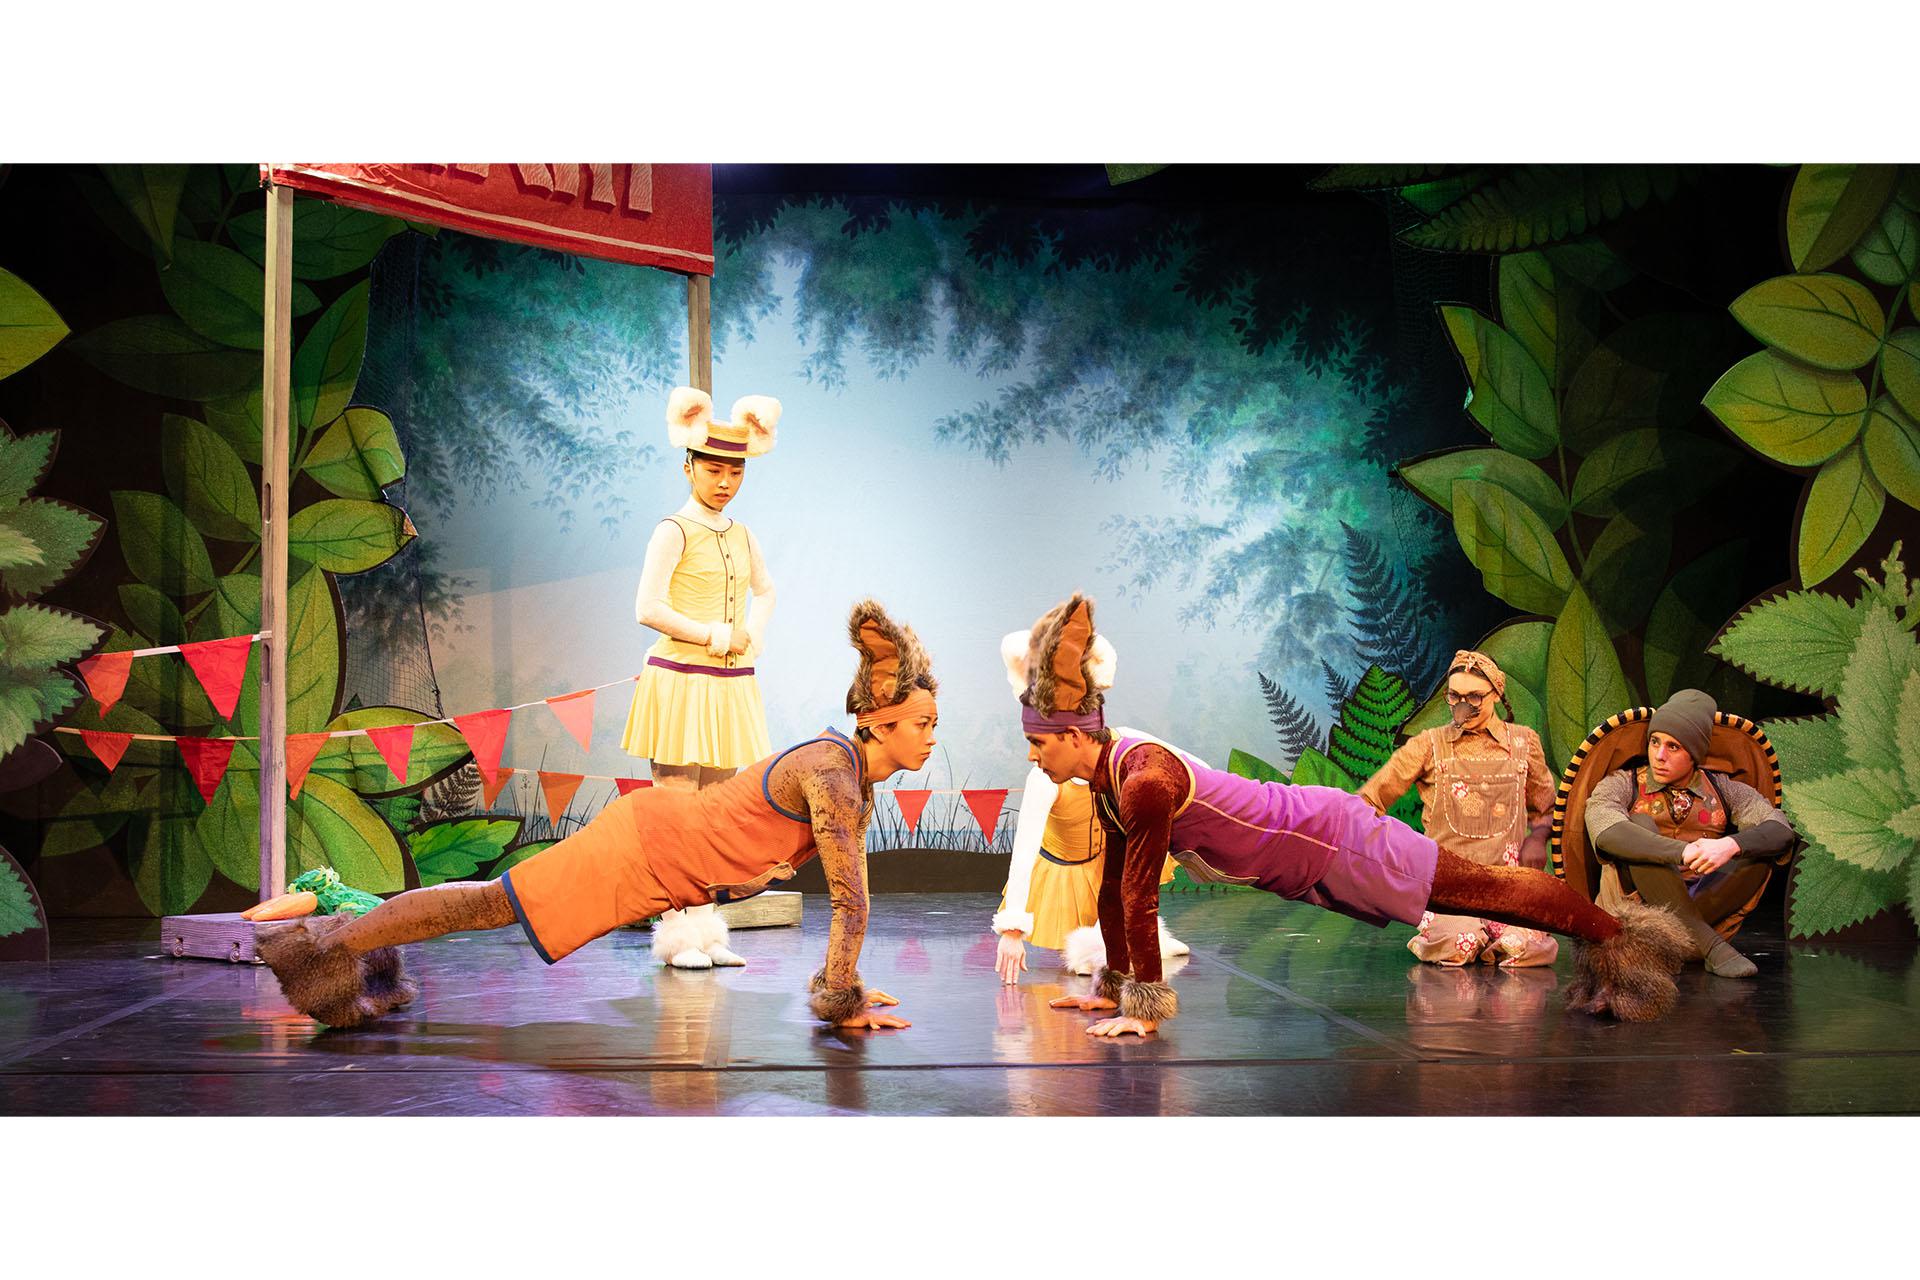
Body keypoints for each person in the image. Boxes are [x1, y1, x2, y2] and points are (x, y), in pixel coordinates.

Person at [1013, 594, 1693, 1038]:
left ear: (1076, 734)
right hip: (1310, 856)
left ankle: (1622, 940)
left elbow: (1137, 897)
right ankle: (1608, 939)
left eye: (1039, 742)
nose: (1034, 755)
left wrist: (1144, 1008)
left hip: (1335, 839)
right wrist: (1114, 986)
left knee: (1481, 890)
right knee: (1476, 894)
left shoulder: (1144, 781)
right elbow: (1110, 889)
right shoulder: (1107, 778)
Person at [256, 600, 938, 1032]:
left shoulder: (847, 773)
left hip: (660, 851)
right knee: (490, 903)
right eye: (921, 722)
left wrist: (844, 985)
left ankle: (349, 949)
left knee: (488, 903)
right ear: (878, 724)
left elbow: (835, 894)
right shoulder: (832, 773)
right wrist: (842, 997)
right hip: (645, 850)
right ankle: (326, 951)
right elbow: (851, 901)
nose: (932, 735)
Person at [621, 387, 780, 969]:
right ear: (688, 465)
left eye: (734, 472)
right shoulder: (674, 530)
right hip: (682, 677)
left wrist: (750, 635)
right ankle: (675, 935)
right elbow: (648, 607)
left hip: (728, 682)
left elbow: (766, 591)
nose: (724, 482)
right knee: (676, 810)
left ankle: (708, 931)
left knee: (716, 812)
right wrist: (716, 634)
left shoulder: (740, 533)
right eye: (713, 469)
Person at [990, 628, 1187, 984]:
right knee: (1086, 962)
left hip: (1108, 862)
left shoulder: (1126, 746)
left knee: (1125, 909)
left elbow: (1190, 768)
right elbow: (1024, 852)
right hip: (1064, 871)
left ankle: (1147, 938)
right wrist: (1013, 929)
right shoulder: (1044, 778)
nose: (1033, 755)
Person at [1358, 650, 1558, 967]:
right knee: (1458, 945)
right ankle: (1451, 932)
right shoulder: (1430, 744)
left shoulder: (1523, 743)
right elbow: (1371, 798)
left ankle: (1494, 935)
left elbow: (1547, 808)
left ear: (1496, 694)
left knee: (1521, 945)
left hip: (1508, 884)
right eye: (1455, 696)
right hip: (1450, 888)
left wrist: (1537, 837)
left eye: (1475, 697)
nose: (1463, 706)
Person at [1583, 688, 1796, 979]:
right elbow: (1604, 829)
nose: (1659, 755)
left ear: (1695, 753)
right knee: (1639, 826)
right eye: (1655, 742)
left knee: (1757, 852)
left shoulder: (1724, 789)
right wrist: (1681, 851)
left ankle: (1686, 938)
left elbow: (1780, 830)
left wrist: (1729, 845)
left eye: (1673, 747)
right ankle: (1708, 945)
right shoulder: (1623, 783)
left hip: (1703, 900)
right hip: (1637, 909)